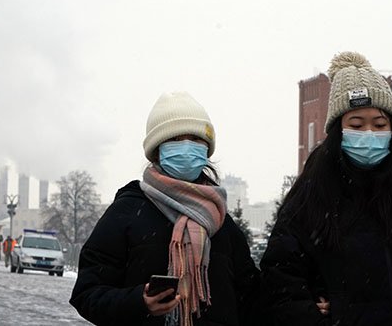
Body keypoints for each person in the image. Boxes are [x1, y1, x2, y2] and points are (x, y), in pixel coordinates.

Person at [259, 52, 392, 325]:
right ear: (338, 131)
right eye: (357, 125)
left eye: (380, 124)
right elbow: (280, 287)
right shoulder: (309, 203)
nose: (370, 133)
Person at [70, 92, 259, 326]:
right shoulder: (127, 211)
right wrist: (139, 302)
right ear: (158, 150)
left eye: (195, 139)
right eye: (176, 139)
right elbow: (87, 293)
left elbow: (252, 300)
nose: (187, 147)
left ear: (207, 149)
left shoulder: (220, 221)